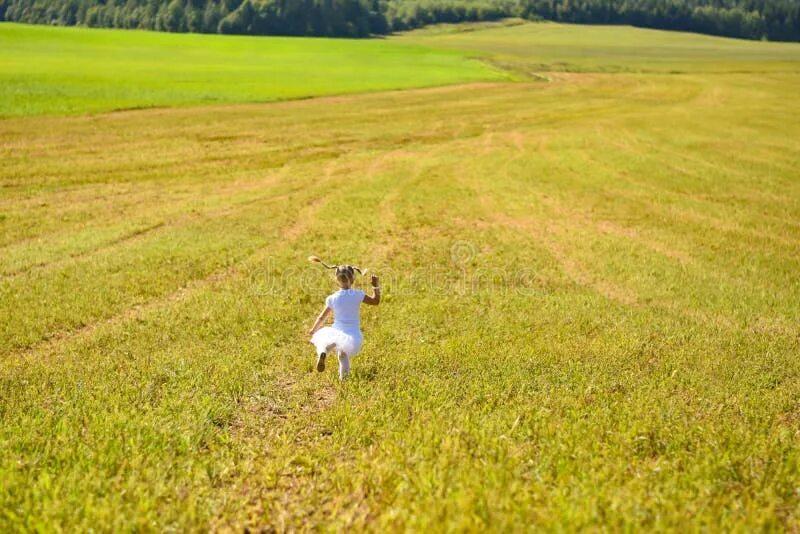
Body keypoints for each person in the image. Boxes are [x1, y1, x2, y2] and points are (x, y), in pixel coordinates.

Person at [307, 256, 380, 380]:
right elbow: (375, 301)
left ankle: (323, 352)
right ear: (352, 280)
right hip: (352, 334)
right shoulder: (357, 294)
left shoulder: (332, 298)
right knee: (343, 355)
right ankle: (344, 380)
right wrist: (375, 287)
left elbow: (321, 317)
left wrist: (314, 329)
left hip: (336, 331)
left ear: (337, 281)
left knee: (327, 343)